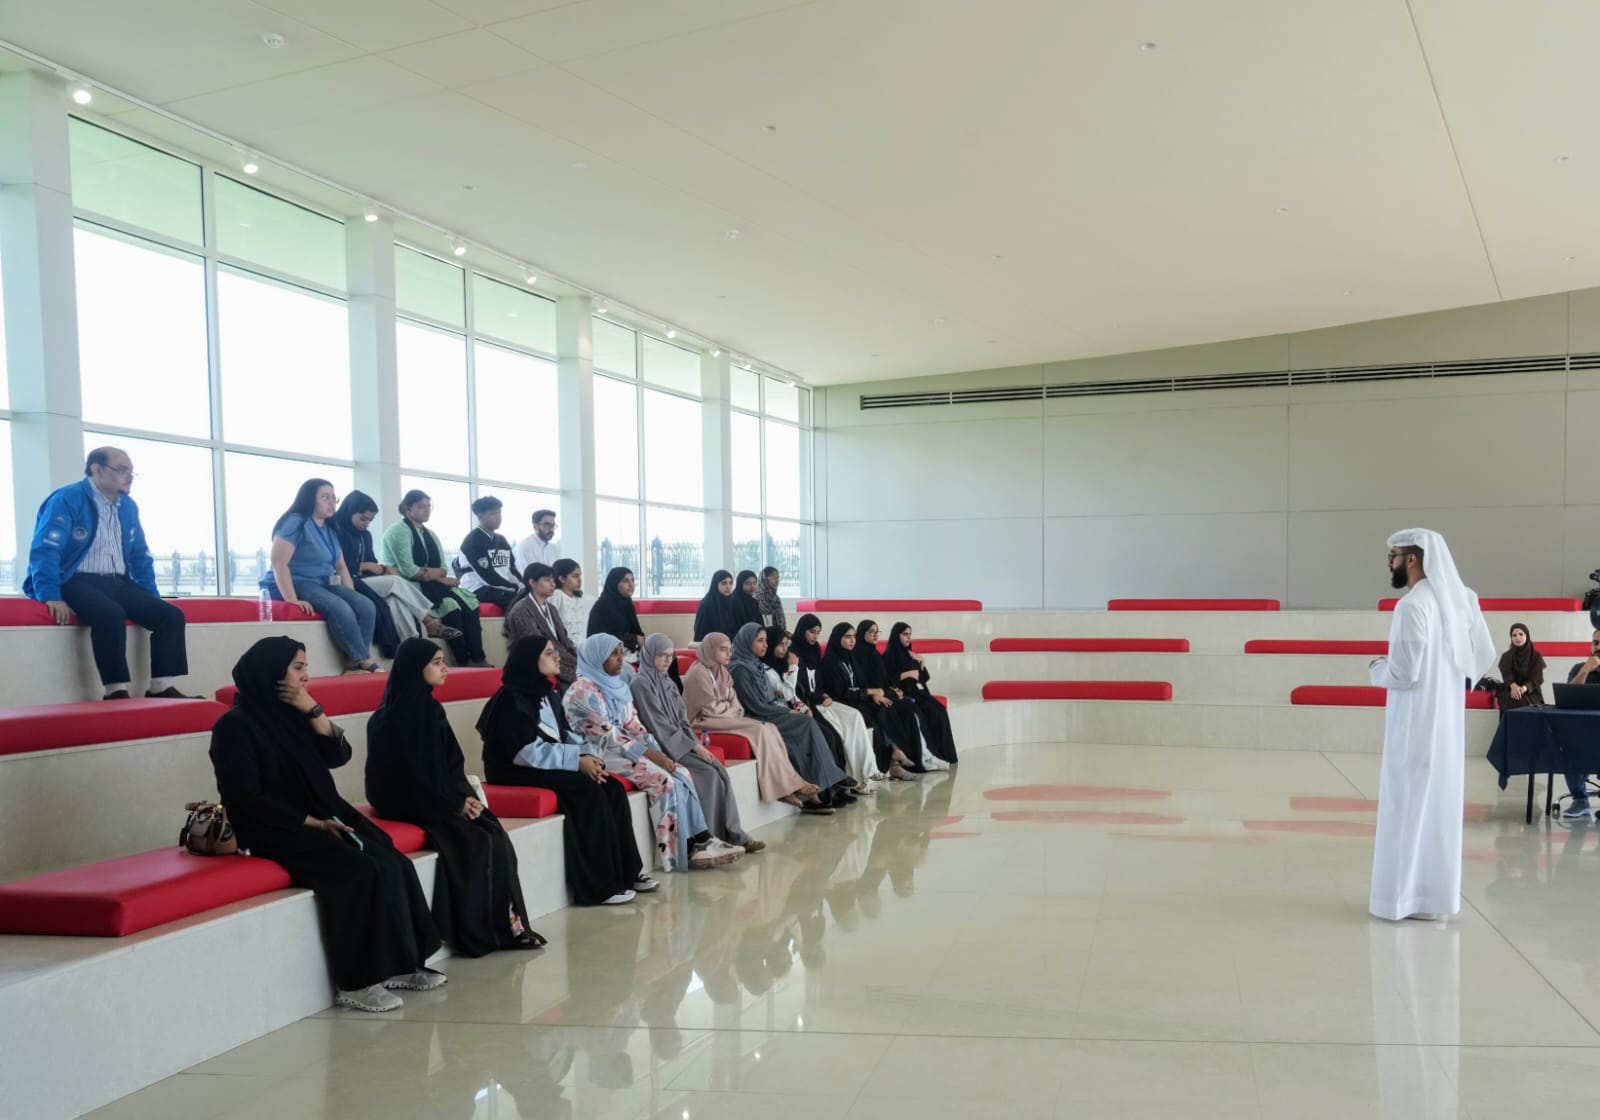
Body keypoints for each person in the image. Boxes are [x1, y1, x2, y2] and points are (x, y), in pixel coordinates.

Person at [208, 636, 443, 1012]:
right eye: (298, 667)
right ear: (272, 671)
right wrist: (313, 824)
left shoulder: (295, 712)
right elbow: (245, 798)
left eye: (306, 668)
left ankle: (404, 962)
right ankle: (358, 981)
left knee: (391, 859)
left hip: (323, 812)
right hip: (274, 825)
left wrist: (315, 712)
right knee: (358, 870)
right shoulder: (234, 726)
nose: (305, 676)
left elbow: (338, 755)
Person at [365, 638, 543, 955]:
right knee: (475, 841)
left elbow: (448, 767)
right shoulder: (393, 717)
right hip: (407, 800)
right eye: (436, 662)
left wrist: (463, 797)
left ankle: (509, 926)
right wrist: (454, 804)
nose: (444, 667)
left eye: (443, 661)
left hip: (436, 796)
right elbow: (407, 778)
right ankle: (475, 931)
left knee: (493, 830)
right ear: (415, 668)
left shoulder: (430, 709)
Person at [1368, 529, 1494, 921]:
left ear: (1411, 559)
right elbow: (1483, 656)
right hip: (1447, 730)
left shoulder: (1411, 606)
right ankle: (1435, 900)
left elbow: (1404, 674)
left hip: (1415, 726)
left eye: (1393, 555)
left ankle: (1400, 901)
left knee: (1405, 810)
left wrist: (1376, 669)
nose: (1389, 563)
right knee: (1439, 813)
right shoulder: (1462, 600)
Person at [476, 637, 645, 906]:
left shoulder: (546, 692)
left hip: (543, 761)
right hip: (514, 769)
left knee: (611, 787)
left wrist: (588, 756)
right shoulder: (511, 698)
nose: (557, 657)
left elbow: (565, 734)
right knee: (588, 792)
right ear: (530, 660)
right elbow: (525, 752)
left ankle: (627, 872)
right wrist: (576, 762)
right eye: (549, 653)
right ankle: (598, 886)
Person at [25, 446, 195, 699]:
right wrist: (50, 594)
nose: (129, 476)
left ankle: (161, 687)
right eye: (122, 469)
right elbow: (46, 549)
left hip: (117, 581)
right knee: (110, 614)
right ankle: (116, 690)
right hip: (74, 580)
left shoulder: (128, 506)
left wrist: (151, 597)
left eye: (132, 472)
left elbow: (139, 556)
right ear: (97, 469)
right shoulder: (67, 498)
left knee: (170, 616)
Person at [565, 633, 745, 871]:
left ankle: (702, 840)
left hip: (628, 750)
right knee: (664, 781)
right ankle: (675, 855)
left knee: (681, 772)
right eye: (613, 654)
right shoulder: (581, 690)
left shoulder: (617, 686)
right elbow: (609, 735)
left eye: (620, 652)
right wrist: (652, 756)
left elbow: (634, 726)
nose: (621, 659)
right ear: (596, 657)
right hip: (601, 753)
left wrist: (659, 753)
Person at [633, 633, 765, 853]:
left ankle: (733, 834)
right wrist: (694, 746)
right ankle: (709, 839)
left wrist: (697, 745)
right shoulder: (641, 685)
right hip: (663, 747)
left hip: (682, 742)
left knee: (719, 770)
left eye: (671, 656)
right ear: (649, 655)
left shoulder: (667, 682)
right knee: (707, 774)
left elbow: (683, 721)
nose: (667, 661)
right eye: (662, 655)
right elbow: (658, 726)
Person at [681, 632, 827, 813]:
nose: (728, 654)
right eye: (723, 650)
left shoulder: (721, 671)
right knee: (759, 730)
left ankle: (789, 785)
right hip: (702, 722)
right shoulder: (698, 673)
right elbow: (710, 709)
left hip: (724, 717)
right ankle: (785, 787)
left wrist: (731, 709)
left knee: (770, 728)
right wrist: (731, 710)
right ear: (710, 650)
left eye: (729, 650)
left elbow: (735, 703)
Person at [261, 479, 380, 674]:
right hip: (296, 581)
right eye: (325, 498)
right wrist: (292, 600)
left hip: (323, 582)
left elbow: (341, 565)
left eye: (334, 498)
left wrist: (352, 595)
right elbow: (279, 562)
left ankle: (356, 663)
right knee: (341, 608)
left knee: (366, 606)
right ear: (310, 499)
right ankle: (364, 661)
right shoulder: (295, 522)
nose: (331, 503)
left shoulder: (330, 528)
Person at [728, 623, 854, 806]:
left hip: (770, 712)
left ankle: (823, 789)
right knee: (806, 723)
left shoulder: (755, 665)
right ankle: (831, 780)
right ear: (747, 642)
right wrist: (786, 710)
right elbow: (754, 705)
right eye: (760, 641)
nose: (765, 645)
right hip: (757, 716)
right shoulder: (740, 669)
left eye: (765, 641)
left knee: (808, 731)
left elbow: (772, 697)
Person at [332, 491, 456, 660]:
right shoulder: (336, 531)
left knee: (395, 601)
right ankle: (429, 622)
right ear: (350, 511)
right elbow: (333, 564)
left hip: (364, 579)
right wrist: (363, 565)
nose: (366, 524)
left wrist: (383, 568)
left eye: (370, 520)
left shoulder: (365, 535)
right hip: (346, 581)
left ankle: (412, 648)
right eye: (363, 519)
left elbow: (371, 561)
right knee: (395, 582)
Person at [382, 490, 488, 666]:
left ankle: (477, 657)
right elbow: (410, 571)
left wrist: (435, 575)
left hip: (431, 584)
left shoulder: (430, 534)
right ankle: (462, 660)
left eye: (428, 506)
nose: (426, 510)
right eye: (420, 506)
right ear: (408, 509)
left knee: (470, 603)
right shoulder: (397, 531)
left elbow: (444, 568)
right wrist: (438, 577)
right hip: (408, 585)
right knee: (451, 605)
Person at [792, 614, 888, 785]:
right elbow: (799, 688)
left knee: (857, 716)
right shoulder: (799, 655)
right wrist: (820, 696)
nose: (815, 636)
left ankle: (869, 771)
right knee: (843, 728)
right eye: (812, 632)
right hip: (815, 702)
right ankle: (852, 775)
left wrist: (823, 694)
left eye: (818, 632)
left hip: (824, 700)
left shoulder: (817, 651)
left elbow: (819, 683)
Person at [759, 625, 857, 788]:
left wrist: (805, 708)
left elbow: (794, 696)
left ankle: (834, 786)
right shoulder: (765, 670)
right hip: (780, 714)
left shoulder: (781, 664)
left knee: (830, 736)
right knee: (823, 736)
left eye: (786, 644)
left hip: (795, 711)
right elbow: (784, 695)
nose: (785, 649)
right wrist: (793, 668)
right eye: (780, 644)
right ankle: (831, 784)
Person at [819, 622, 919, 781]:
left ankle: (895, 754)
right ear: (838, 638)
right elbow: (841, 692)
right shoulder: (830, 661)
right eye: (847, 637)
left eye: (853, 636)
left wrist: (873, 695)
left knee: (885, 706)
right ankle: (887, 763)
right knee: (875, 717)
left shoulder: (850, 657)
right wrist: (870, 692)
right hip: (843, 702)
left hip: (858, 698)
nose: (852, 640)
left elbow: (862, 681)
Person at [857, 620, 944, 771]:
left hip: (884, 693)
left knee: (913, 710)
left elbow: (885, 680)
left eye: (876, 632)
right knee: (899, 710)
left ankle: (925, 755)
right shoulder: (857, 655)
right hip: (869, 697)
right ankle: (906, 755)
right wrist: (875, 694)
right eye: (871, 632)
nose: (875, 635)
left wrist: (894, 689)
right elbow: (861, 682)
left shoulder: (875, 654)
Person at [884, 621, 960, 765]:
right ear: (896, 636)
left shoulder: (911, 654)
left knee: (940, 711)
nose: (908, 638)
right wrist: (906, 674)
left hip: (922, 693)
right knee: (930, 713)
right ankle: (932, 754)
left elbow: (924, 678)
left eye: (910, 634)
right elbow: (888, 679)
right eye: (905, 634)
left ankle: (946, 755)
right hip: (907, 694)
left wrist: (922, 662)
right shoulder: (889, 656)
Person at [504, 563, 576, 690]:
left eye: (553, 580)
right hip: (538, 663)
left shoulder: (551, 608)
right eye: (547, 580)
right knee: (587, 677)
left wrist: (578, 656)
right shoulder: (521, 610)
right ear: (532, 582)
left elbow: (564, 639)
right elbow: (536, 648)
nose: (553, 584)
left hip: (558, 658)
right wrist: (573, 662)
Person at [1556, 630, 1600, 819]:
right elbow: (1568, 697)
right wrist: (1585, 670)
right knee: (1567, 747)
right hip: (1582, 734)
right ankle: (1580, 800)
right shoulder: (1578, 668)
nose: (1598, 647)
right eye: (1595, 642)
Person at [456, 496, 521, 609]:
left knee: (534, 596)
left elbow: (512, 569)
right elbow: (488, 576)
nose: (498, 517)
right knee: (519, 600)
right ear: (480, 517)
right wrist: (513, 587)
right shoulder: (473, 541)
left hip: (501, 587)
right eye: (493, 514)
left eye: (499, 512)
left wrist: (524, 585)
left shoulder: (502, 540)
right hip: (476, 588)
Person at [586, 567, 646, 665]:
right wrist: (635, 638)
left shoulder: (626, 602)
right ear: (615, 583)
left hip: (626, 652)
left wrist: (642, 640)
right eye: (626, 581)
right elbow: (603, 639)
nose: (631, 585)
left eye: (632, 580)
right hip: (607, 656)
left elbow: (636, 630)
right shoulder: (603, 605)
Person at [1495, 623, 1545, 712]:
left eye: (1521, 634)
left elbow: (1537, 678)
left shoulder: (1536, 656)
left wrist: (1524, 688)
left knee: (1523, 702)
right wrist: (1513, 686)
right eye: (1514, 635)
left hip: (1531, 692)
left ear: (1527, 635)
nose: (1517, 637)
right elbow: (1507, 675)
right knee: (1511, 698)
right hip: (1511, 690)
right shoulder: (1506, 656)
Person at [552, 558, 592, 644]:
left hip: (583, 645)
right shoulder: (556, 596)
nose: (580, 580)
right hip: (563, 646)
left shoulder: (581, 598)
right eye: (575, 576)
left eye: (580, 576)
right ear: (562, 579)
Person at [693, 570, 740, 642]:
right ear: (715, 584)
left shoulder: (731, 601)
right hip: (711, 644)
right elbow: (701, 631)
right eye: (724, 583)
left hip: (730, 643)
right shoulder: (707, 603)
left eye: (730, 583)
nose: (728, 586)